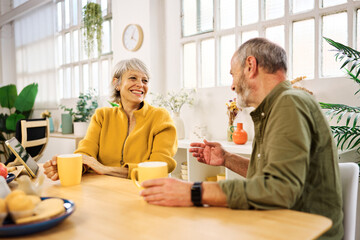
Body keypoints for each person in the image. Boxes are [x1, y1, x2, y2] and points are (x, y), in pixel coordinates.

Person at [140, 38, 343, 240]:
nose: (232, 85)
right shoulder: (278, 106)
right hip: (282, 225)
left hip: (305, 233)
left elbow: (280, 190)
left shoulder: (289, 103)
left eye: (233, 74)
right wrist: (227, 159)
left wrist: (193, 191)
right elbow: (271, 178)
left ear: (250, 66)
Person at [44, 58, 177, 179]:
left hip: (141, 189)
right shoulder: (102, 116)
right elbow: (86, 152)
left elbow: (160, 164)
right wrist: (67, 167)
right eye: (133, 78)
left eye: (145, 80)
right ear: (117, 84)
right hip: (103, 190)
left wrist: (106, 170)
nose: (140, 84)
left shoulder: (160, 117)